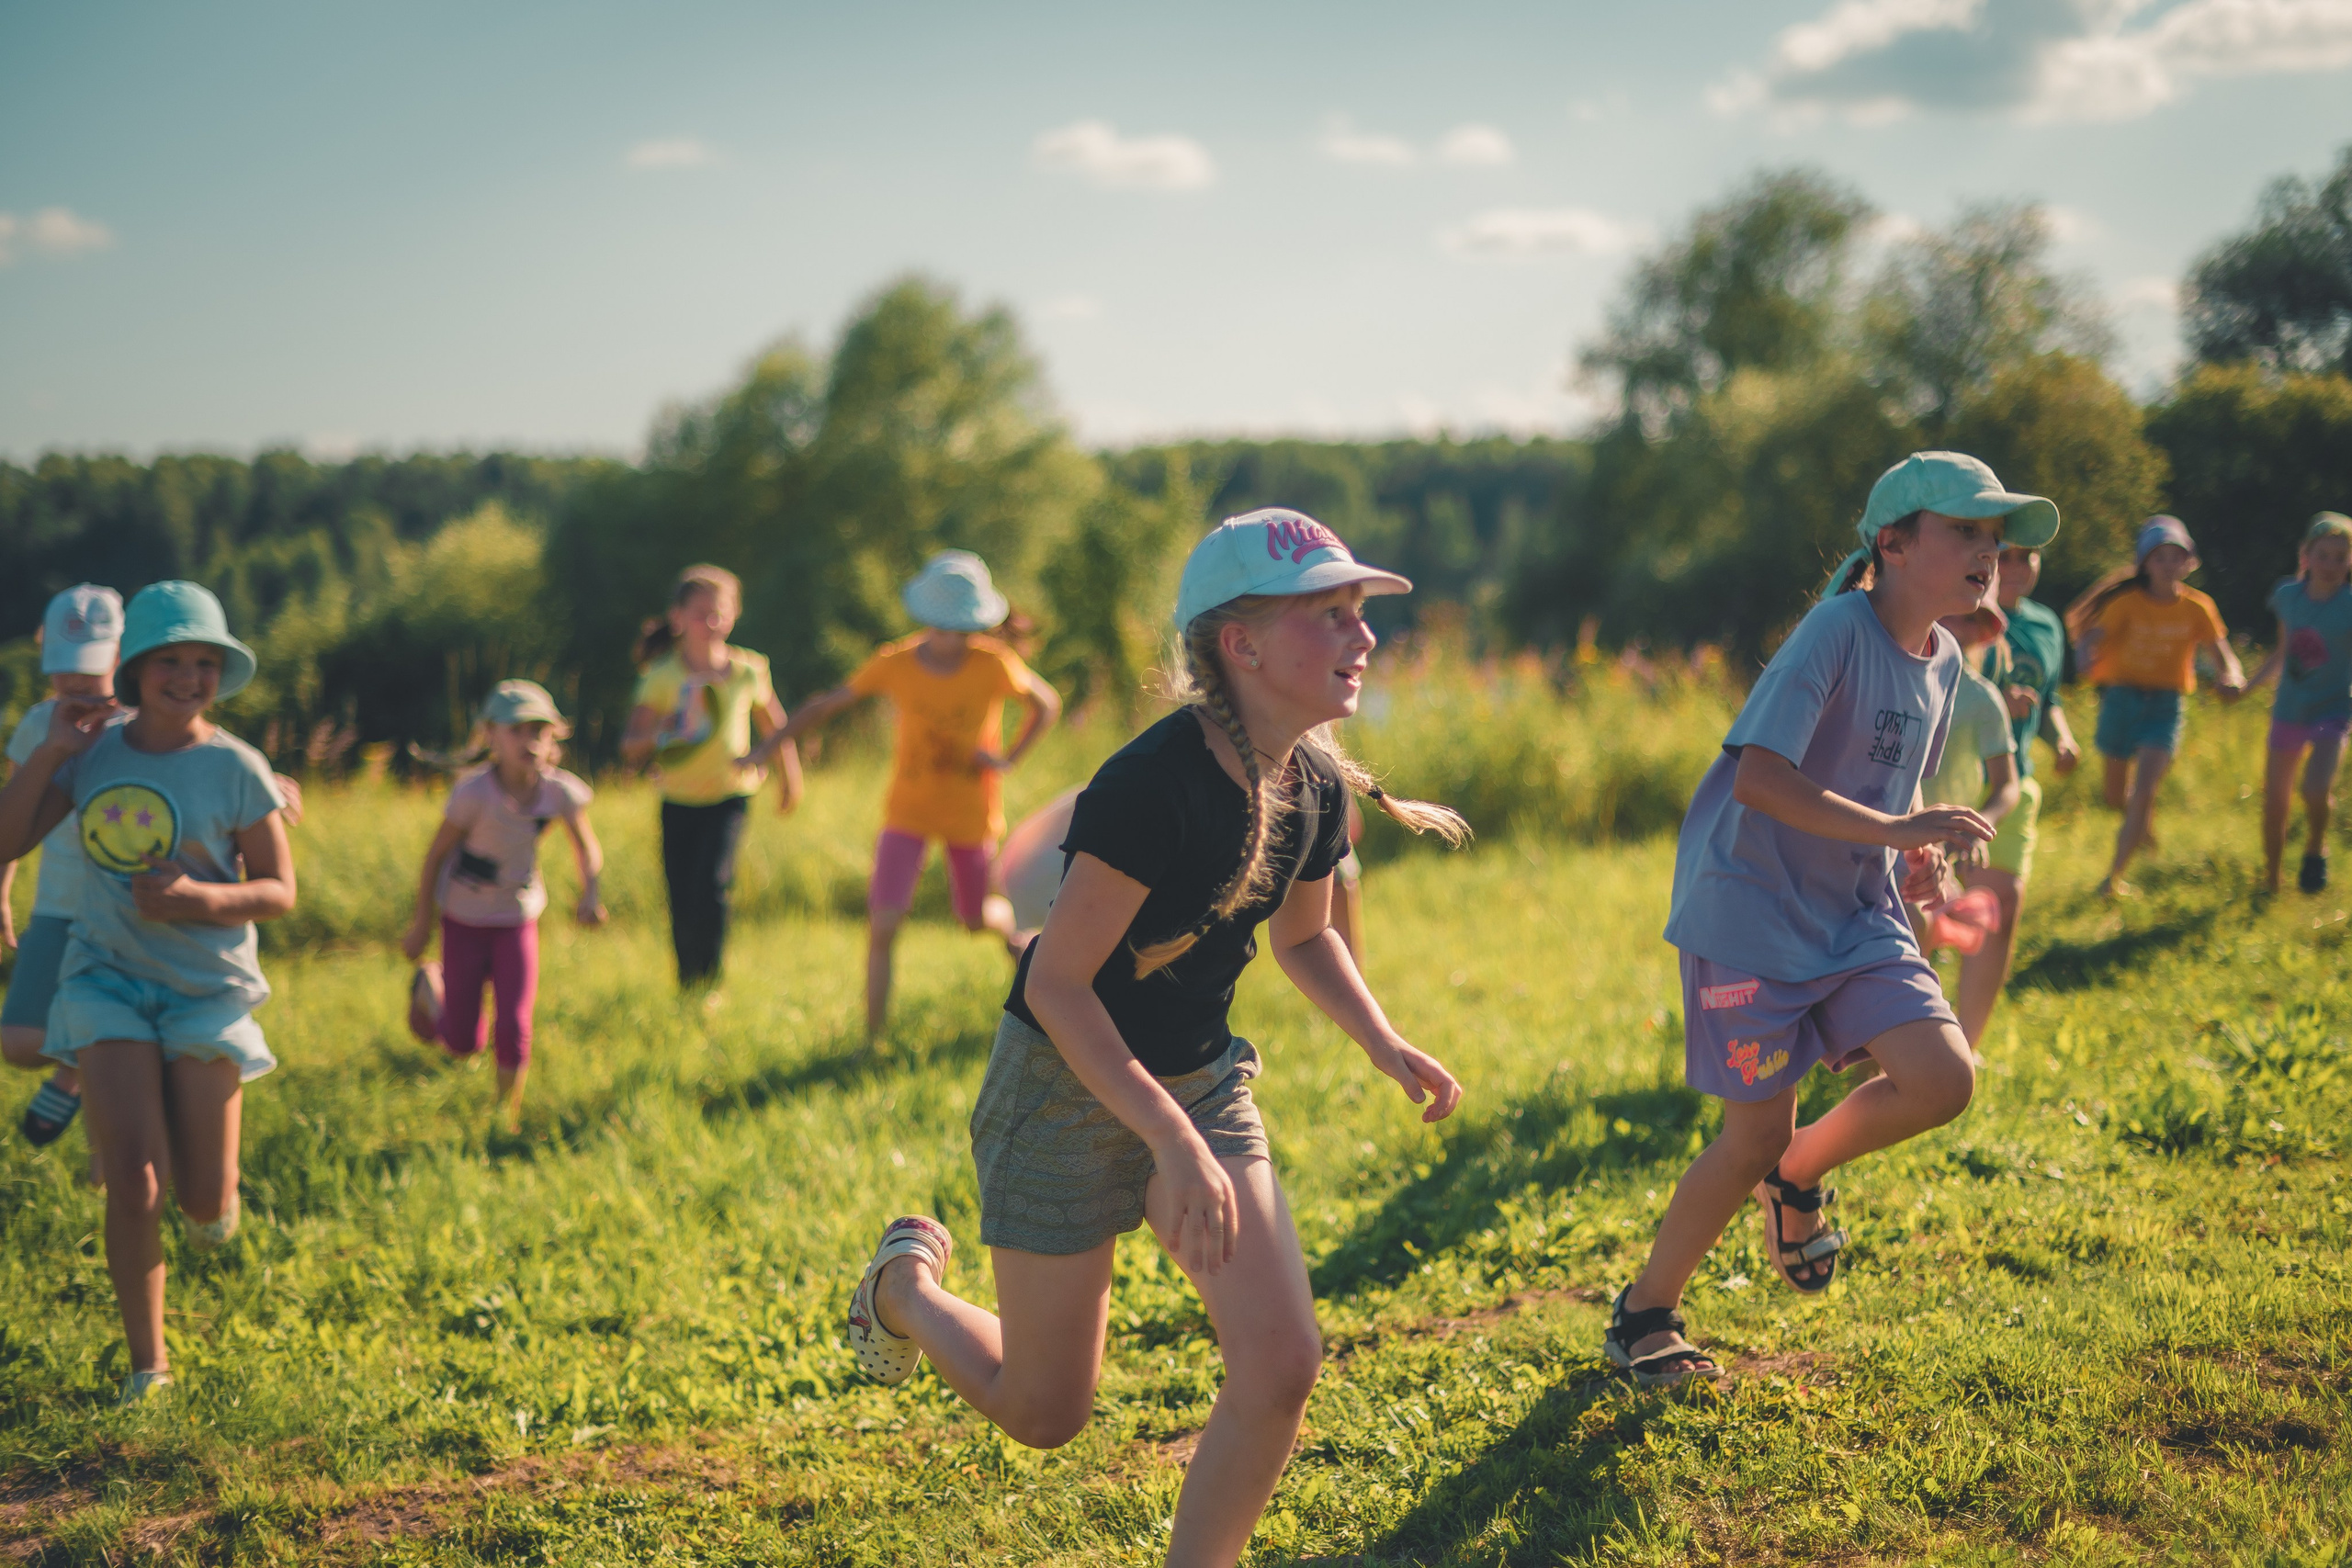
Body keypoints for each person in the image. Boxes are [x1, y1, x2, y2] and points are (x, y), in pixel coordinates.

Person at [840, 510, 1466, 1568]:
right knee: (1045, 1412)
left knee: (1279, 1366)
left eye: (1361, 615)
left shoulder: (1311, 779)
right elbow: (1058, 979)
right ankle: (904, 1290)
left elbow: (1306, 937)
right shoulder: (1151, 787)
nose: (1363, 640)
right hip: (1062, 1083)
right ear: (1244, 643)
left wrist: (1380, 1038)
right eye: (1332, 615)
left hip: (1200, 1085)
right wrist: (1168, 1142)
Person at [1610, 452, 2054, 1388]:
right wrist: (1896, 824)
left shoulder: (1943, 661)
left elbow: (1887, 786)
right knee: (1747, 1139)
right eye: (1963, 531)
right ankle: (1644, 1313)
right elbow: (1761, 780)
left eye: (1993, 536)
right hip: (1748, 917)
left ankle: (1799, 1173)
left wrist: (1911, 854)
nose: (1987, 551)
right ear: (1891, 544)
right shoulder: (1832, 632)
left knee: (1942, 1080)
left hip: (1854, 913)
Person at [0, 581, 295, 1404]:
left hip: (205, 991)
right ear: (135, 668)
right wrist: (52, 752)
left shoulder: (236, 766)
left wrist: (200, 899)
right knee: (133, 1181)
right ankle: (148, 1367)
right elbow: (8, 836)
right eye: (170, 659)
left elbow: (279, 889)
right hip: (106, 980)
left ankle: (213, 1202)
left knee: (204, 1200)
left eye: (206, 661)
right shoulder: (93, 750)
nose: (188, 676)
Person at [749, 552, 1061, 1043]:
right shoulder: (895, 663)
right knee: (884, 923)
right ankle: (872, 1040)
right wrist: (769, 746)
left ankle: (1014, 936)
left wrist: (1009, 759)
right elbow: (827, 704)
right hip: (907, 813)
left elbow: (1046, 705)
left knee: (975, 919)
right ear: (926, 620)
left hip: (970, 813)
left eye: (962, 629)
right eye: (942, 627)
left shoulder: (993, 663)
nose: (951, 639)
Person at [401, 681, 605, 1132]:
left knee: (514, 1022)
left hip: (516, 919)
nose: (530, 741)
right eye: (517, 730)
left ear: (554, 738)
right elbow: (435, 857)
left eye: (540, 730)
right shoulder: (473, 795)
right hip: (464, 920)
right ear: (491, 735)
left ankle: (503, 1115)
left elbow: (587, 847)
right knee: (462, 1042)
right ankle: (431, 987)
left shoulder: (560, 793)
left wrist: (590, 892)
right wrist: (422, 924)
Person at [619, 565, 803, 990]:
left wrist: (790, 778)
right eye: (701, 613)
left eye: (720, 613)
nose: (712, 622)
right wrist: (663, 726)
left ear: (734, 615)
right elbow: (631, 744)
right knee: (682, 895)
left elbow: (776, 727)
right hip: (679, 799)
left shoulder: (748, 670)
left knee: (714, 886)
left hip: (729, 797)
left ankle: (712, 983)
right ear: (678, 617)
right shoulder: (662, 676)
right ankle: (688, 981)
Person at [2067, 516, 2247, 899]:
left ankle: (2113, 877)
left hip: (2166, 704)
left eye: (2176, 557)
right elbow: (2091, 637)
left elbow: (2222, 654)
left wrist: (2231, 676)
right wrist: (2085, 655)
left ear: (2189, 562)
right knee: (2116, 796)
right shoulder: (2125, 603)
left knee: (2145, 790)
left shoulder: (2198, 607)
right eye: (2160, 557)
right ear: (2144, 564)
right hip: (2120, 699)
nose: (2168, 565)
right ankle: (2144, 835)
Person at [4, 586, 126, 1150]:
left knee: (114, 1037)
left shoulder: (142, 724)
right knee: (20, 1041)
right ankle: (79, 1068)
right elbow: (14, 813)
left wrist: (266, 780)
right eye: (63, 670)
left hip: (125, 908)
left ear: (120, 656)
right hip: (57, 904)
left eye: (90, 671)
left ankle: (84, 1083)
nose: (75, 685)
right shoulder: (38, 725)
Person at [1956, 544, 2081, 1043]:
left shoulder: (2048, 625)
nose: (2017, 568)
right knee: (1920, 912)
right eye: (2006, 557)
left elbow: (2047, 698)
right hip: (1953, 778)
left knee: (2000, 904)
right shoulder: (1958, 610)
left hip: (2014, 780)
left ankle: (1965, 1046)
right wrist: (1993, 701)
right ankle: (1894, 1047)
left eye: (2029, 558)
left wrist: (2062, 736)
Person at [1913, 604, 2021, 1043]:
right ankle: (1890, 1055)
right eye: (1945, 616)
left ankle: (1916, 1053)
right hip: (1891, 830)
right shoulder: (1901, 680)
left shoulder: (1982, 699)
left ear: (1983, 634)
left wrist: (1979, 824)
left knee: (1916, 932)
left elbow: (2006, 785)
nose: (1953, 628)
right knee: (1909, 934)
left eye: (1966, 621)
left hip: (1947, 841)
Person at [2247, 513, 2352, 895]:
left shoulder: (2349, 605)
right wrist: (2246, 687)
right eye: (2323, 555)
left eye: (2341, 557)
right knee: (2275, 801)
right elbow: (2281, 652)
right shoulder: (2287, 596)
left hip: (2334, 709)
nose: (2331, 565)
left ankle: (2314, 847)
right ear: (2306, 556)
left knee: (2314, 788)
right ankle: (2272, 879)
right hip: (2290, 710)